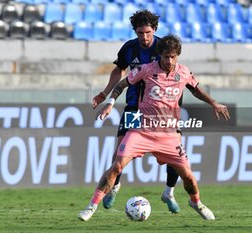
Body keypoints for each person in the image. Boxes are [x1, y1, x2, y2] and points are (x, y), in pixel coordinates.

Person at [77, 35, 230, 221]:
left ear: (177, 56)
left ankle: (194, 201)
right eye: (166, 56)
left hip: (168, 133)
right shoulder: (146, 68)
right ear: (160, 56)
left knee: (188, 176)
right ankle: (93, 205)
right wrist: (109, 102)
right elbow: (122, 82)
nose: (169, 61)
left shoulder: (183, 72)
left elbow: (196, 89)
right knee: (117, 164)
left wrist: (214, 103)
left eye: (173, 57)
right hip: (141, 128)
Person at [91, 10, 206, 214]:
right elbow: (120, 71)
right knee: (120, 153)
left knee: (174, 156)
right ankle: (115, 186)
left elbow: (181, 75)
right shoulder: (129, 48)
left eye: (147, 32)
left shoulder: (164, 48)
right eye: (139, 33)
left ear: (154, 30)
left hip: (166, 113)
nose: (144, 37)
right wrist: (104, 94)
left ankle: (169, 192)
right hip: (135, 107)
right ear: (135, 32)